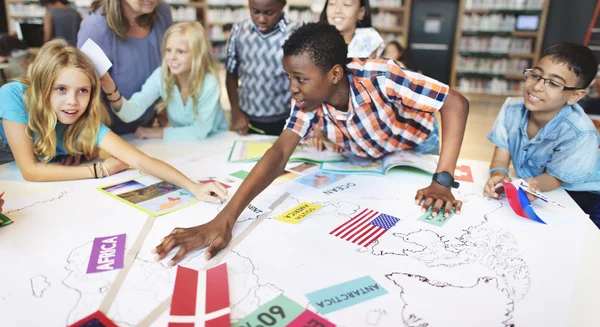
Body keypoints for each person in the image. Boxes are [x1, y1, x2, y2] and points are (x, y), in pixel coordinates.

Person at [152, 22, 469, 265]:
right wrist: (226, 218)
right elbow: (278, 153)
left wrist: (443, 180)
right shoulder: (307, 102)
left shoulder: (382, 75)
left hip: (414, 148)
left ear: (334, 74)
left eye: (300, 79)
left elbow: (454, 102)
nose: (293, 88)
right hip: (365, 155)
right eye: (289, 77)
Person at [0, 39, 227, 204]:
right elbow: (30, 170)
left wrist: (194, 186)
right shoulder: (14, 95)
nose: (72, 102)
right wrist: (100, 170)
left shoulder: (83, 120)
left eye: (82, 91)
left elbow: (141, 160)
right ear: (42, 86)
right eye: (61, 89)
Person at [483, 43, 600, 227]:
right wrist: (498, 175)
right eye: (535, 75)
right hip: (543, 189)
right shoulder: (511, 108)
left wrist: (532, 184)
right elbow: (500, 157)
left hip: (584, 197)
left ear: (575, 96)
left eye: (553, 83)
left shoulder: (580, 132)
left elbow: (555, 179)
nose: (537, 86)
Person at [99, 22, 228, 140]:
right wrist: (109, 86)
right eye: (168, 50)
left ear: (197, 55)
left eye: (180, 52)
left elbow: (200, 131)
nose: (172, 57)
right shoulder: (161, 75)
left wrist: (155, 133)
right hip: (185, 145)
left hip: (216, 141)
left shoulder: (209, 83)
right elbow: (132, 111)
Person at [77, 0, 173, 135]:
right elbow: (84, 90)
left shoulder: (161, 12)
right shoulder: (95, 29)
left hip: (146, 129)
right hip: (107, 135)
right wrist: (90, 136)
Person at [226, 0, 298, 136]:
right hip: (247, 119)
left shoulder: (295, 32)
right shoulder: (239, 30)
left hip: (287, 119)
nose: (261, 19)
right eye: (255, 12)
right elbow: (231, 74)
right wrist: (236, 112)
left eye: (269, 13)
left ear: (283, 4)